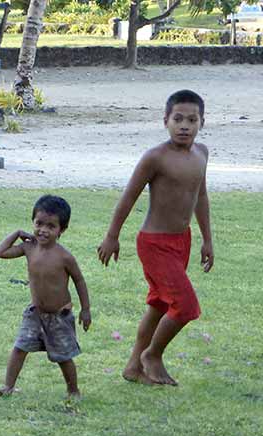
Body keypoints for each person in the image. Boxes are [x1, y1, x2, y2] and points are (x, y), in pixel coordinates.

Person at [97, 89, 213, 386]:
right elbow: (128, 198)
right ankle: (153, 355)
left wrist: (207, 239)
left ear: (202, 122)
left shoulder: (202, 154)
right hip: (154, 243)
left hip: (181, 241)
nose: (185, 125)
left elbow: (200, 196)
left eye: (192, 119)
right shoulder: (155, 158)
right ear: (165, 121)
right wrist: (112, 236)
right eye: (178, 119)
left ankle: (133, 367)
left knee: (160, 304)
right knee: (186, 307)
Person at [0, 195, 90, 399]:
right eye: (38, 223)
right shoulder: (29, 248)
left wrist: (86, 309)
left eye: (51, 226)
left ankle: (73, 390)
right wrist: (17, 233)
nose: (43, 230)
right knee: (20, 348)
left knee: (64, 357)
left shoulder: (64, 256)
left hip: (59, 316)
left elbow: (79, 281)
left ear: (61, 230)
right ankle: (8, 386)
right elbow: (0, 252)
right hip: (35, 313)